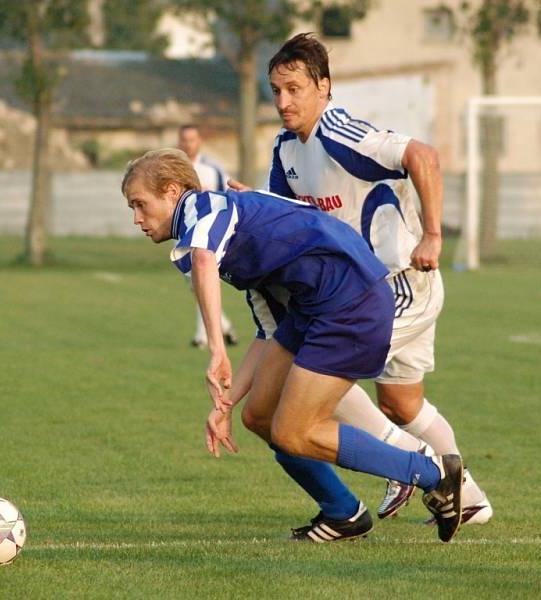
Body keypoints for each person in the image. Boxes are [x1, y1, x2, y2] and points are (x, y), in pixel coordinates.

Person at [121, 147, 465, 543]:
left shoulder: (204, 207)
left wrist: (216, 349)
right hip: (316, 308)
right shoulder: (225, 239)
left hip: (350, 300)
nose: (137, 219)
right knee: (260, 417)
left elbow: (203, 261)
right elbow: (268, 333)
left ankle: (433, 474)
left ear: (171, 191)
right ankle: (344, 514)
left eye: (140, 205)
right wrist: (224, 404)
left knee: (292, 430)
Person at [230, 32, 492, 525]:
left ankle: (404, 467)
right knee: (400, 402)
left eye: (294, 89)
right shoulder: (287, 149)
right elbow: (290, 218)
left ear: (324, 87)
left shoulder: (339, 132)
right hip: (363, 290)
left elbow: (424, 156)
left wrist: (433, 235)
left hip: (397, 285)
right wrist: (254, 203)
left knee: (315, 369)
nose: (283, 101)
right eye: (276, 90)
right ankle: (471, 500)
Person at [177, 124, 239, 350]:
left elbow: (228, 197)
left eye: (191, 139)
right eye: (184, 139)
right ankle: (224, 326)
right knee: (197, 285)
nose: (187, 144)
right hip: (184, 236)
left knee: (202, 280)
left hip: (209, 236)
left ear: (199, 141)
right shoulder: (174, 170)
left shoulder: (213, 169)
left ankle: (203, 336)